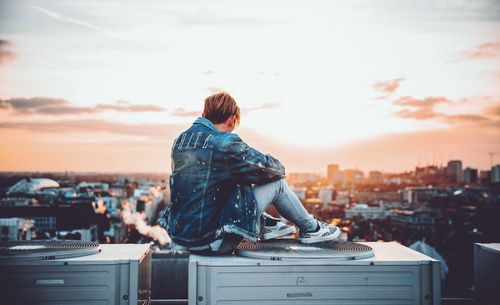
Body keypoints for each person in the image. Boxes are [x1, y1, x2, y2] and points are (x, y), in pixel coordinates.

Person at [158, 92, 340, 254]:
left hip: (182, 240)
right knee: (274, 183)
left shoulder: (180, 141)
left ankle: (264, 224)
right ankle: (311, 229)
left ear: (204, 115)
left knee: (229, 177)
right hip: (213, 241)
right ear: (231, 119)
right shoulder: (224, 143)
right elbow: (272, 169)